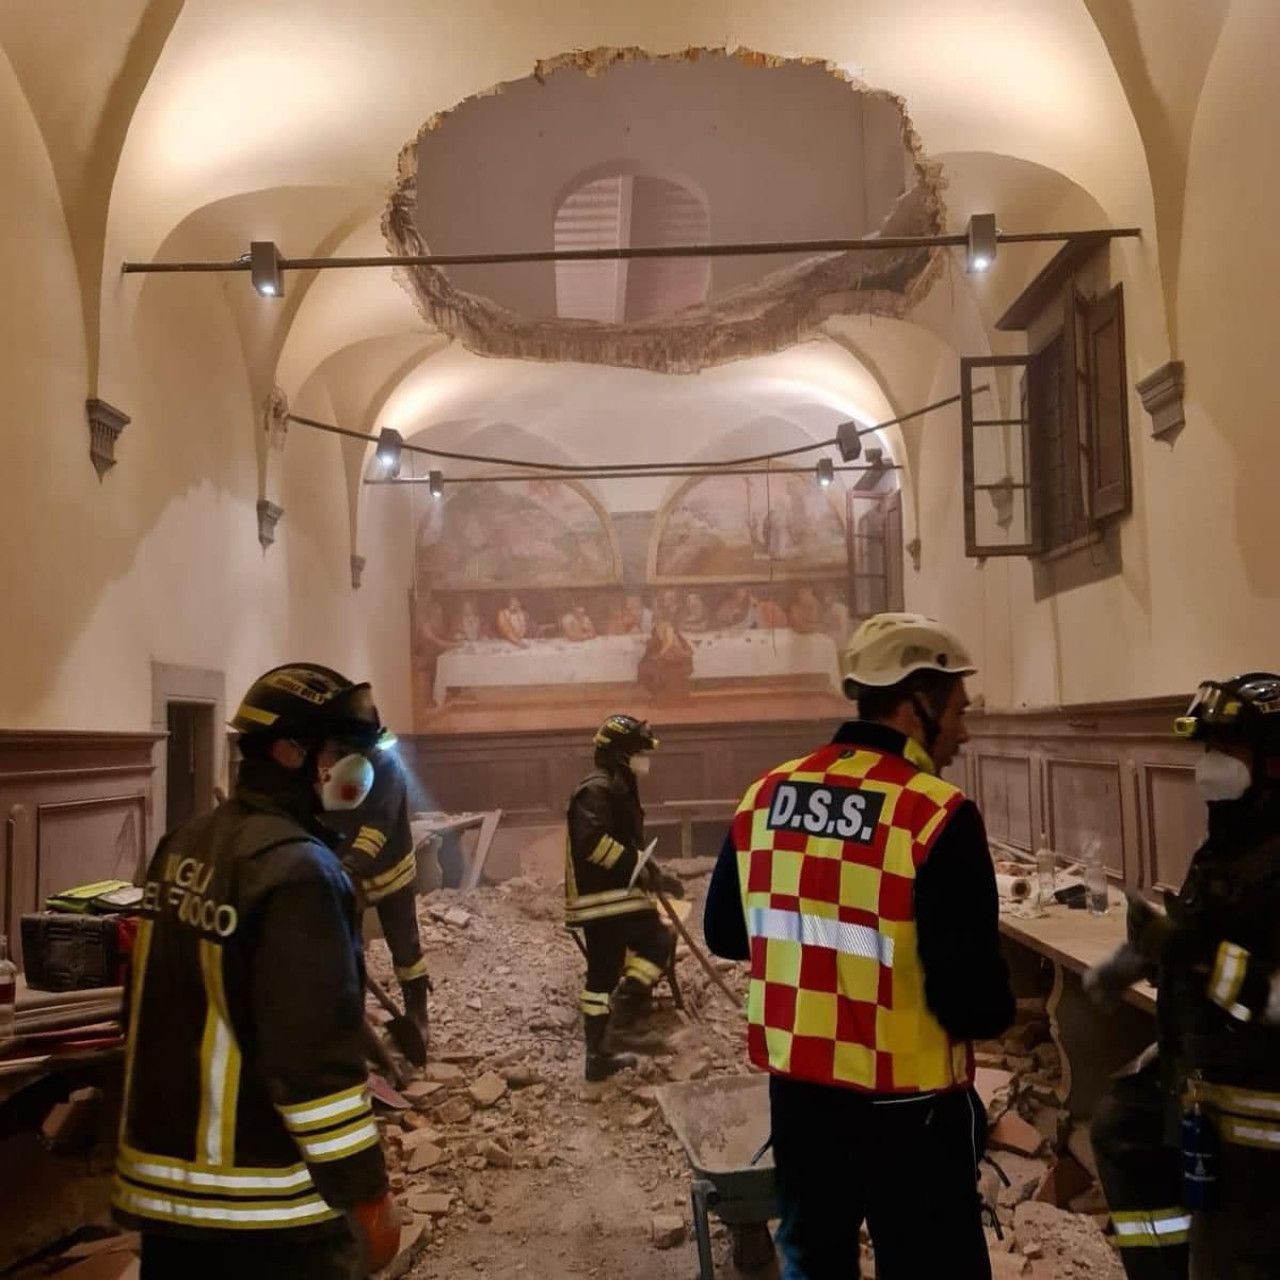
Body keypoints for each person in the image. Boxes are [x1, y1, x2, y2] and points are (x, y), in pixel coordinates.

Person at [703, 613, 1014, 1279]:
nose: (963, 728)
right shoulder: (934, 814)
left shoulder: (765, 795)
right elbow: (971, 1003)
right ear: (916, 703)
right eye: (957, 708)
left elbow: (726, 933)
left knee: (814, 1262)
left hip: (802, 1098)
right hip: (912, 1108)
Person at [114, 664, 400, 1280]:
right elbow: (313, 1059)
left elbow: (142, 1002)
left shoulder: (182, 845)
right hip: (263, 1211)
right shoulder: (297, 871)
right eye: (342, 751)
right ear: (289, 751)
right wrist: (367, 1194)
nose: (356, 769)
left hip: (167, 1200)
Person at [1086, 673, 1280, 1280]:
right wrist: (1145, 955)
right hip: (1206, 1074)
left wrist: (1193, 954)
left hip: (1261, 1113)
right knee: (1122, 1127)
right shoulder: (1233, 837)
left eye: (1226, 750)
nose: (1209, 766)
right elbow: (1210, 926)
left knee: (1232, 1258)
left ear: (1274, 761)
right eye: (1205, 749)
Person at [565, 715, 682, 1082]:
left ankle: (599, 1056)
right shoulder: (595, 791)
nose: (642, 759)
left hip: (613, 896)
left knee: (601, 977)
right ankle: (624, 1020)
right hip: (605, 899)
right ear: (618, 754)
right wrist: (639, 868)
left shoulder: (617, 786)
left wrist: (656, 875)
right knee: (657, 942)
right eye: (636, 752)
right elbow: (592, 844)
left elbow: (627, 844)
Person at [328, 734, 431, 1043]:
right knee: (349, 950)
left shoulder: (386, 765)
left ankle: (417, 1014)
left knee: (404, 947)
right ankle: (352, 1019)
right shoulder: (327, 756)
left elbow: (379, 823)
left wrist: (351, 864)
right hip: (346, 874)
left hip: (390, 871)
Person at [637, 619, 694, 698]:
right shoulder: (657, 633)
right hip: (666, 657)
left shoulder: (669, 629)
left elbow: (670, 644)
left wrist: (661, 654)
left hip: (674, 655)